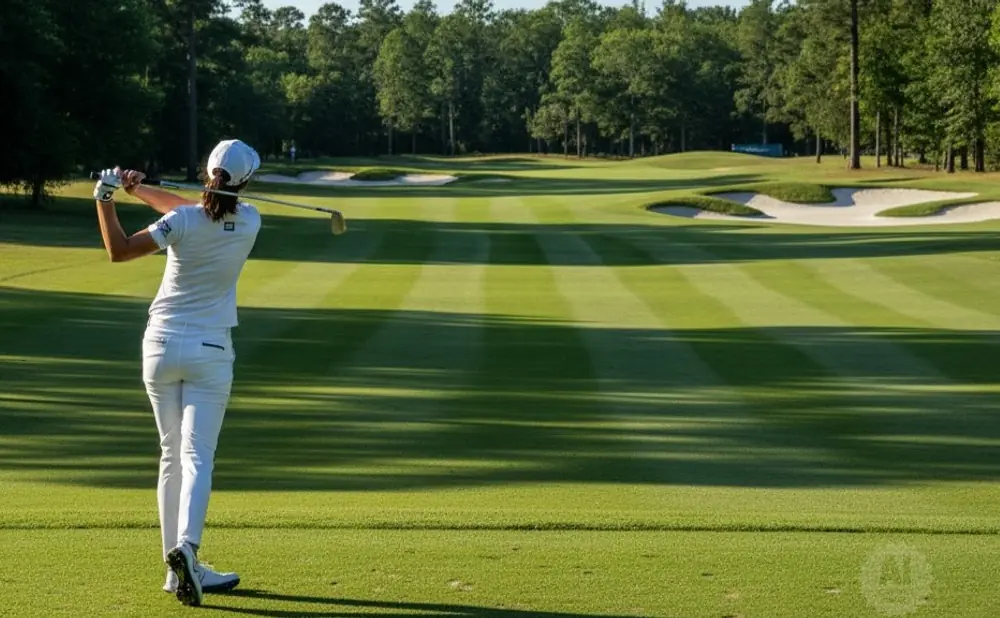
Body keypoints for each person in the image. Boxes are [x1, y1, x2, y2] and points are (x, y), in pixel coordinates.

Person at [92, 139, 262, 607]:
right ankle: (186, 549)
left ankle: (175, 570)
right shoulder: (250, 220)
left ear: (207, 173)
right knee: (196, 458)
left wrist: (107, 199)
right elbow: (199, 207)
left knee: (170, 456)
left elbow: (121, 251)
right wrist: (141, 190)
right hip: (210, 350)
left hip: (160, 347)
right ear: (245, 182)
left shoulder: (183, 220)